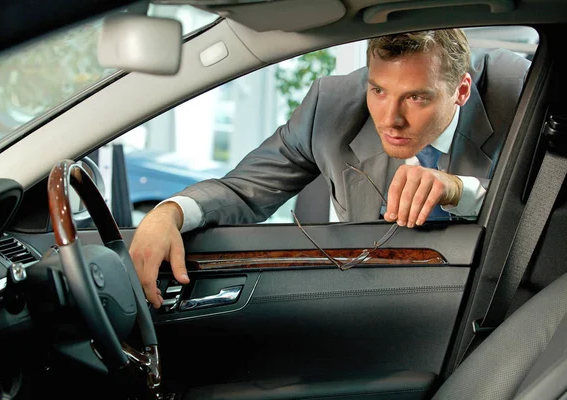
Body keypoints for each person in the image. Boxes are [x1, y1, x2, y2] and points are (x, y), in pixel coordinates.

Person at [130, 29, 531, 308]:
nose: (390, 119)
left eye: (417, 98)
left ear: (461, 90)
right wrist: (170, 212)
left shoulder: (521, 92)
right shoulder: (332, 105)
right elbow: (244, 190)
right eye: (378, 91)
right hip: (381, 299)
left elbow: (548, 207)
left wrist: (462, 190)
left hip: (500, 299)